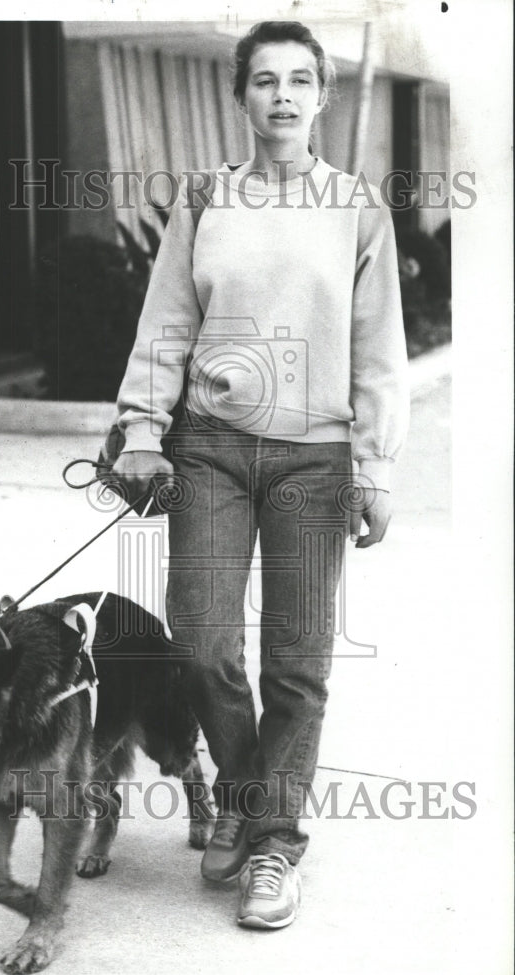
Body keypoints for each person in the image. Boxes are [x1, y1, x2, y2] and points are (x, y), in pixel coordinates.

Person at [112, 20, 409, 929]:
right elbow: (166, 319)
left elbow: (377, 344)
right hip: (210, 448)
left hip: (315, 461)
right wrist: (139, 427)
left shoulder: (358, 206)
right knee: (200, 644)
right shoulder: (205, 199)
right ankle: (249, 799)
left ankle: (273, 845)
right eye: (264, 80)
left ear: (321, 97)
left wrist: (378, 465)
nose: (281, 96)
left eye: (300, 81)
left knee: (297, 666)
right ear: (239, 97)